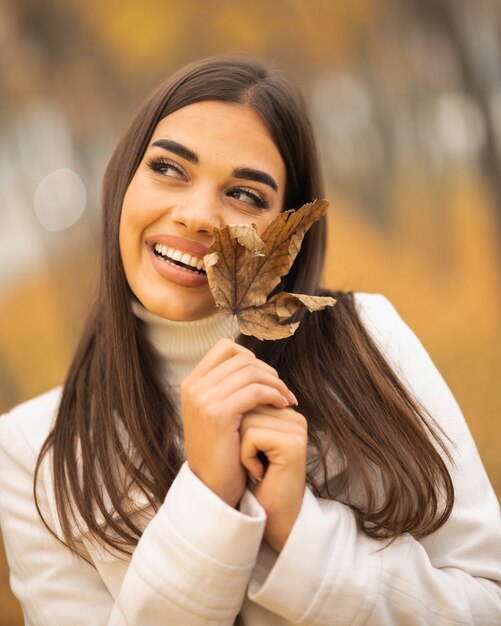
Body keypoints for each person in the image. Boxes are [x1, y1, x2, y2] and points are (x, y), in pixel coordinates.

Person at [0, 55, 500, 626]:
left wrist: (300, 531)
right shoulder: (34, 453)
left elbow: (488, 603)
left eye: (246, 195)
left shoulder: (367, 341)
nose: (196, 215)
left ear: (287, 234)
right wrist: (208, 497)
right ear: (122, 181)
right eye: (168, 168)